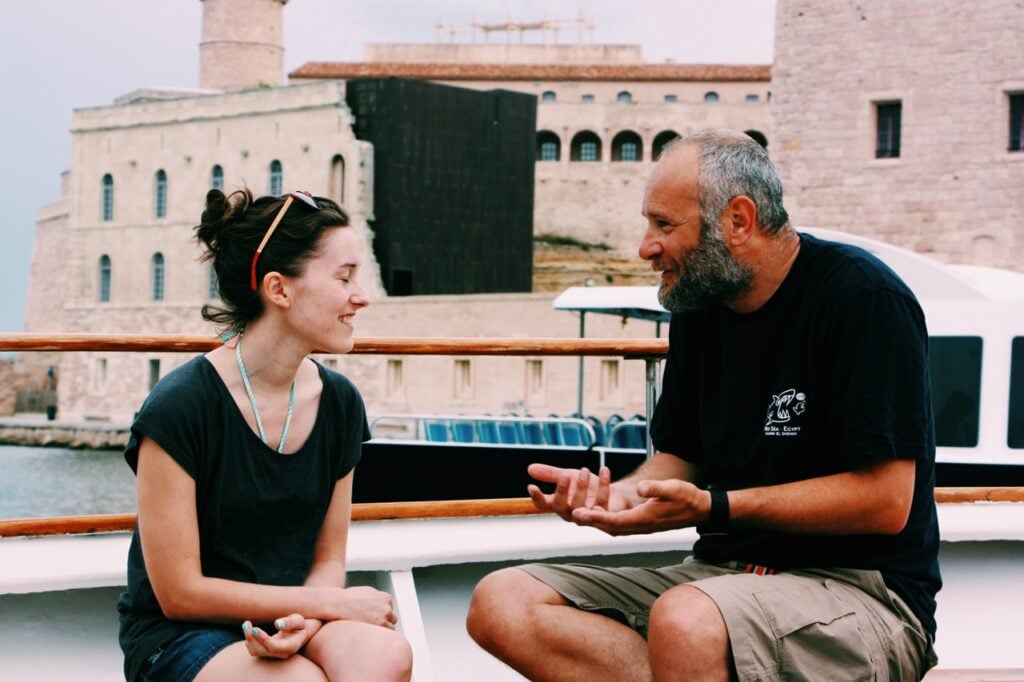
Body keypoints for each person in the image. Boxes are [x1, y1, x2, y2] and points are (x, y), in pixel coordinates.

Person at [466, 129, 941, 681]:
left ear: (738, 221)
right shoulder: (700, 305)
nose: (645, 246)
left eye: (664, 225)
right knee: (503, 601)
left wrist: (717, 507)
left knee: (687, 620)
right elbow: (678, 463)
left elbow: (885, 501)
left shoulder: (862, 299)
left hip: (864, 593)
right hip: (720, 577)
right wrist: (613, 500)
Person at [117, 188, 412, 682]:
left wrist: (308, 618)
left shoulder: (339, 402)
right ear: (278, 290)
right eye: (344, 278)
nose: (362, 297)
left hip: (296, 612)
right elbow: (180, 593)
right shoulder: (181, 406)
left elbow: (327, 557)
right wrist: (328, 604)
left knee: (386, 656)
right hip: (183, 633)